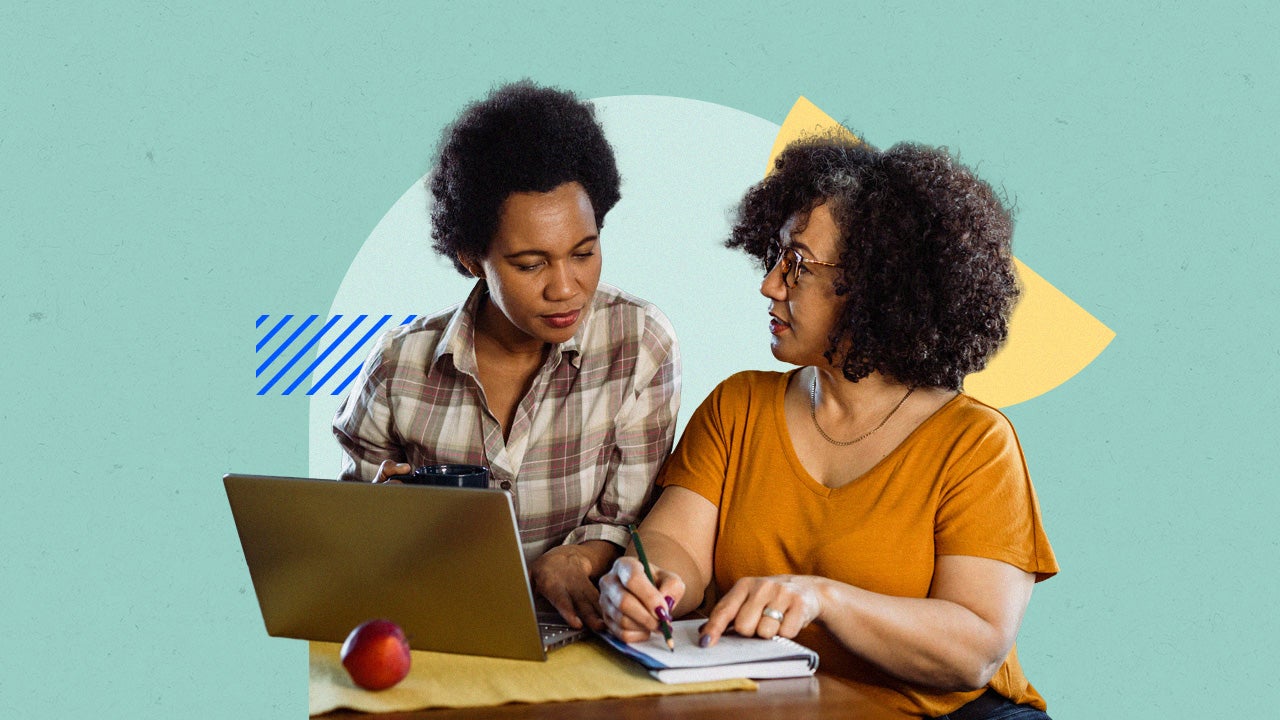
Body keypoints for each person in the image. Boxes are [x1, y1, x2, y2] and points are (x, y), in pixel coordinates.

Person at [599, 137, 1058, 719]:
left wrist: (822, 598)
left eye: (797, 265)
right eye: (776, 257)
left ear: (876, 287)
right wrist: (647, 581)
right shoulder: (737, 407)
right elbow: (675, 546)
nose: (770, 284)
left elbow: (975, 650)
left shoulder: (975, 444)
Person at [333, 81, 680, 632]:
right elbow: (347, 525)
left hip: (580, 638)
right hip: (431, 632)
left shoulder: (639, 343)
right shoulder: (400, 366)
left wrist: (574, 560)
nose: (566, 287)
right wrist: (379, 515)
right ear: (472, 258)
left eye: (584, 253)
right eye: (530, 264)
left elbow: (627, 519)